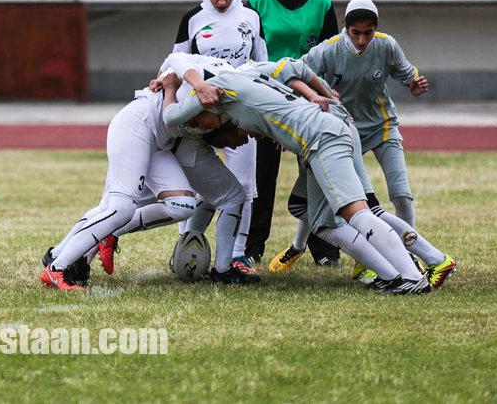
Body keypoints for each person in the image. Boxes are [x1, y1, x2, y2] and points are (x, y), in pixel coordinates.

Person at [163, 59, 432, 294]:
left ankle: (411, 276)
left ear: (206, 101)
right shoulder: (246, 76)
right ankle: (391, 276)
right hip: (320, 136)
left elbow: (171, 117)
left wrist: (171, 89)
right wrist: (321, 93)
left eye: (198, 122)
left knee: (356, 212)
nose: (198, 127)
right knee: (323, 224)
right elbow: (294, 68)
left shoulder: (218, 90)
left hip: (321, 138)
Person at [41, 72, 246, 290]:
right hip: (137, 126)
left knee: (183, 206)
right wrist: (173, 83)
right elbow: (175, 61)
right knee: (120, 209)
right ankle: (56, 269)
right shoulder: (208, 70)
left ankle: (57, 254)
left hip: (161, 143)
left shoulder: (228, 82)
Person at [167, 0, 267, 280]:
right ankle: (187, 243)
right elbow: (175, 62)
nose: (221, 1)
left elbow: (262, 63)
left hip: (239, 113)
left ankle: (237, 253)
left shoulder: (250, 17)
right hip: (201, 114)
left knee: (244, 183)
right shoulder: (193, 19)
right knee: (196, 184)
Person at [246, 0, 341, 267]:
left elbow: (331, 56)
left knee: (317, 173)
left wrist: (324, 96)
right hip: (264, 98)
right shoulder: (256, 2)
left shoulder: (322, 3)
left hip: (310, 99)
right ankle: (252, 246)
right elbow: (247, 56)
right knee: (261, 176)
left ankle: (326, 248)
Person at [300, 0, 428, 227]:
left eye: (368, 33)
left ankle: (410, 252)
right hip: (343, 129)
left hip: (382, 125)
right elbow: (298, 73)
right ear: (346, 28)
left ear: (375, 29)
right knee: (332, 194)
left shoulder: (386, 45)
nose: (362, 40)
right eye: (355, 33)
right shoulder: (329, 49)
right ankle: (297, 245)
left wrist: (414, 85)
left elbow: (408, 74)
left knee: (401, 193)